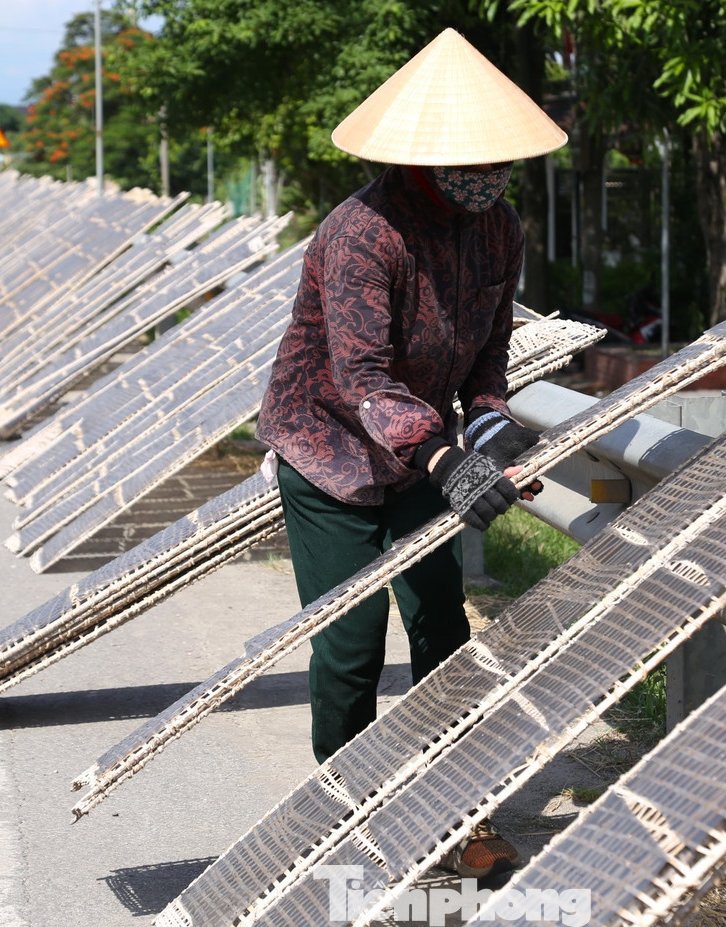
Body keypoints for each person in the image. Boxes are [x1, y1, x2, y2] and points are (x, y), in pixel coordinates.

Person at [255, 28, 566, 878]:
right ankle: (347, 817)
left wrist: (493, 433)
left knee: (442, 628)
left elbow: (490, 354)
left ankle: (458, 812)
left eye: (499, 159)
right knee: (349, 646)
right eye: (470, 161)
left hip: (421, 450)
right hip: (330, 452)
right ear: (426, 158)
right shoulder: (363, 232)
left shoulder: (499, 229)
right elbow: (362, 376)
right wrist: (445, 459)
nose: (488, 174)